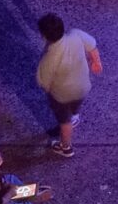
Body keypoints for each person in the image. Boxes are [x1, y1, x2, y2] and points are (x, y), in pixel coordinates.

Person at [34, 13, 102, 156]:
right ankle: (75, 116)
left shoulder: (50, 57)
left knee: (64, 122)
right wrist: (96, 62)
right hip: (83, 87)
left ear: (44, 36)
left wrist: (49, 90)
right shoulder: (76, 35)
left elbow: (44, 81)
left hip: (62, 96)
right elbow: (92, 46)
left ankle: (66, 147)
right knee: (76, 104)